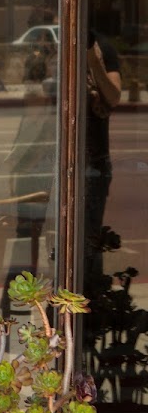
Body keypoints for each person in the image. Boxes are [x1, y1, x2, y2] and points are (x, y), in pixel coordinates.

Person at [84, 29, 121, 281]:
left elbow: (114, 96)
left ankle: (90, 297)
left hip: (93, 161)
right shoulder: (56, 46)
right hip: (59, 158)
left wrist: (93, 61)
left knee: (89, 241)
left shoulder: (101, 48)